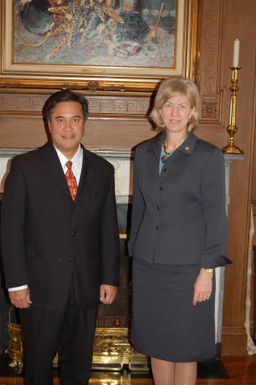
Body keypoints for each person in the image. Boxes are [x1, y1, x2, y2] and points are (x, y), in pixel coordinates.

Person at [1, 89, 120, 385]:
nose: (68, 128)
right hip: (39, 287)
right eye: (61, 120)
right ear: (49, 124)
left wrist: (109, 277)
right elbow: (10, 230)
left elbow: (108, 227)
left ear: (84, 123)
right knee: (38, 364)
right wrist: (16, 282)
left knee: (79, 364)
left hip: (86, 285)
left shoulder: (102, 170)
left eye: (75, 120)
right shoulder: (25, 167)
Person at [128, 77, 231, 385]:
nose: (174, 113)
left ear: (192, 112)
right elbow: (141, 208)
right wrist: (135, 251)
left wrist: (207, 271)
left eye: (182, 106)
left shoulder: (208, 156)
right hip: (149, 266)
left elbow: (216, 218)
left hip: (189, 269)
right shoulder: (144, 153)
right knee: (157, 342)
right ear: (158, 110)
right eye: (168, 105)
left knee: (184, 347)